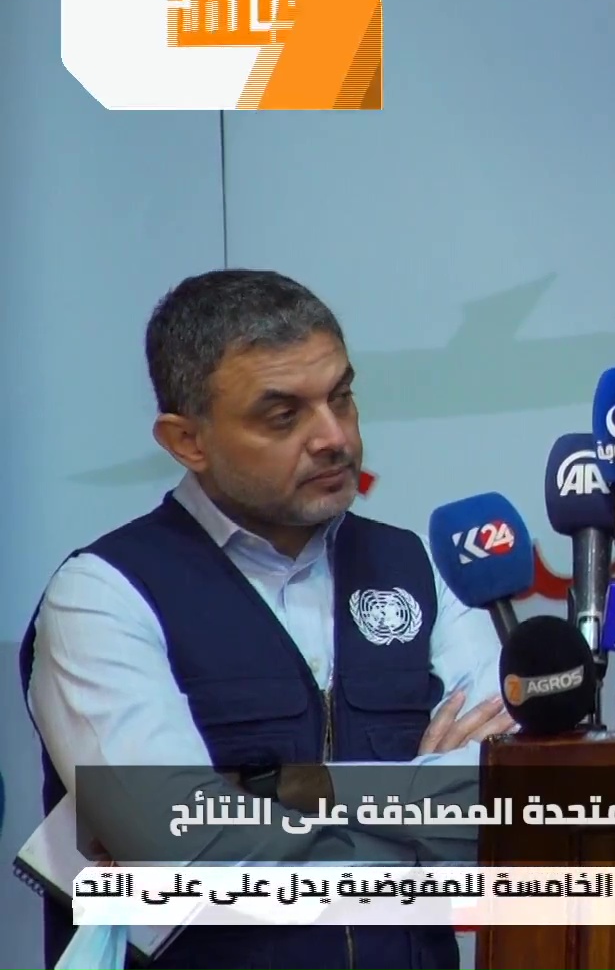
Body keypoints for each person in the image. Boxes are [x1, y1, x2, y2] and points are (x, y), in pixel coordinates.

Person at [18, 270, 512, 970]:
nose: (334, 437)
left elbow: (509, 809)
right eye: (284, 416)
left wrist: (294, 793)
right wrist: (417, 812)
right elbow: (188, 851)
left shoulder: (414, 567)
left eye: (342, 397)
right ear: (187, 440)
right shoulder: (103, 595)